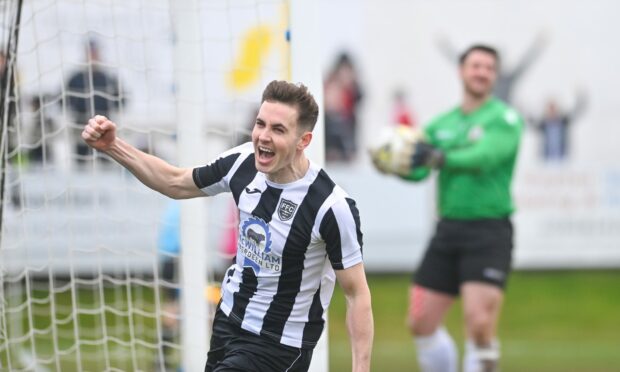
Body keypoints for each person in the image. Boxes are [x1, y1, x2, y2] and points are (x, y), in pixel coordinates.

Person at [81, 80, 373, 372]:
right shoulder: (242, 162)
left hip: (278, 346)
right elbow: (175, 182)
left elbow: (356, 294)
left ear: (304, 141)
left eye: (278, 129)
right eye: (261, 124)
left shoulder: (331, 206)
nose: (263, 137)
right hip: (227, 325)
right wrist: (113, 146)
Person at [371, 45, 523, 372]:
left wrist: (440, 157)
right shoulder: (441, 123)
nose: (481, 72)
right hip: (448, 231)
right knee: (420, 322)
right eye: (475, 65)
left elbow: (484, 157)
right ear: (462, 71)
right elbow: (422, 169)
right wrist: (394, 164)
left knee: (479, 324)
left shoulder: (505, 119)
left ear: (494, 76)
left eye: (488, 67)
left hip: (489, 231)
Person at [436, 33, 548, 104]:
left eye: (490, 67)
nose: (483, 73)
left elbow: (525, 63)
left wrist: (538, 46)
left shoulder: (508, 79)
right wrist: (445, 47)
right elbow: (460, 60)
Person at [66, 37, 125, 165]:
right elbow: (64, 101)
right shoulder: (75, 79)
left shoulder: (108, 78)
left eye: (94, 52)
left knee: (106, 162)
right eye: (89, 52)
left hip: (103, 130)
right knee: (80, 164)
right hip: (82, 128)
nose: (92, 55)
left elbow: (122, 100)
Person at [323, 52, 364, 162]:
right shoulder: (331, 85)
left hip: (347, 137)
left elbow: (360, 98)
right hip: (331, 141)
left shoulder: (353, 88)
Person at [530, 90, 588, 162]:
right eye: (550, 108)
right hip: (546, 159)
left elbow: (577, 111)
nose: (552, 111)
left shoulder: (564, 122)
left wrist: (580, 97)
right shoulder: (543, 125)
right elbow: (529, 121)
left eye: (553, 108)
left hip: (562, 159)